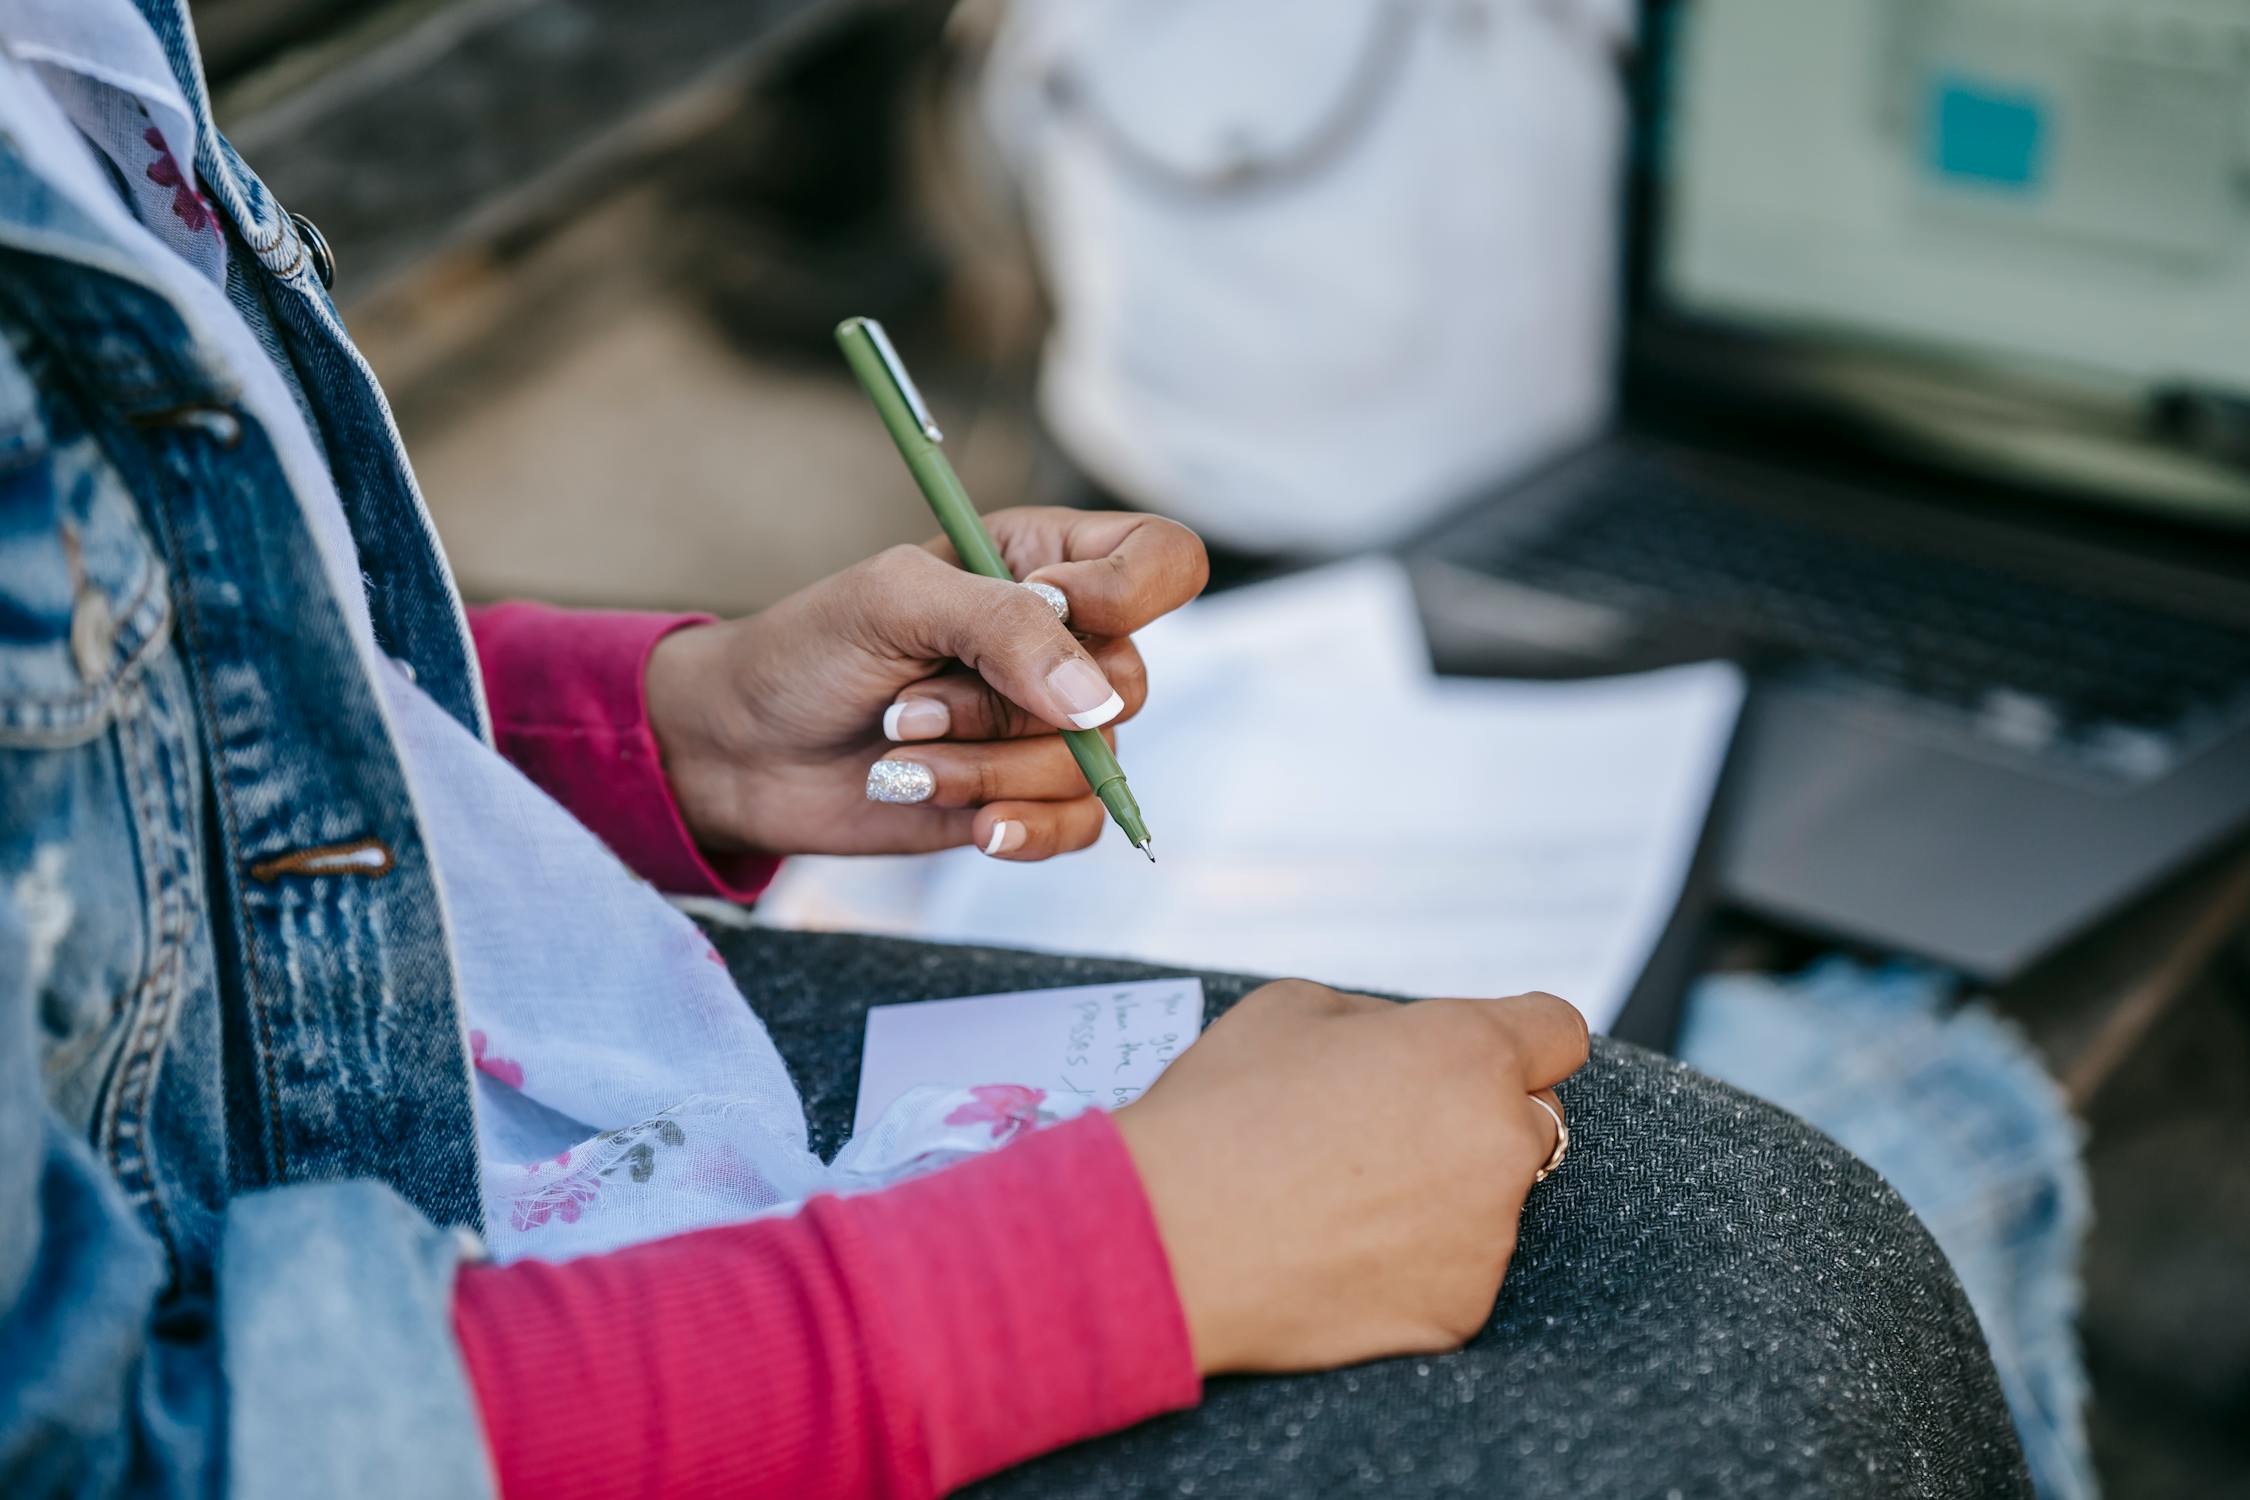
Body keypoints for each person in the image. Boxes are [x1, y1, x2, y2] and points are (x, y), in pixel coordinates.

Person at [0, 2, 2030, 1496]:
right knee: (1783, 1317)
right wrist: (1120, 1266)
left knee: (1741, 1243)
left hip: (375, 1140)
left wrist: (645, 735)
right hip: (365, 1368)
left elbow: (114, 750)